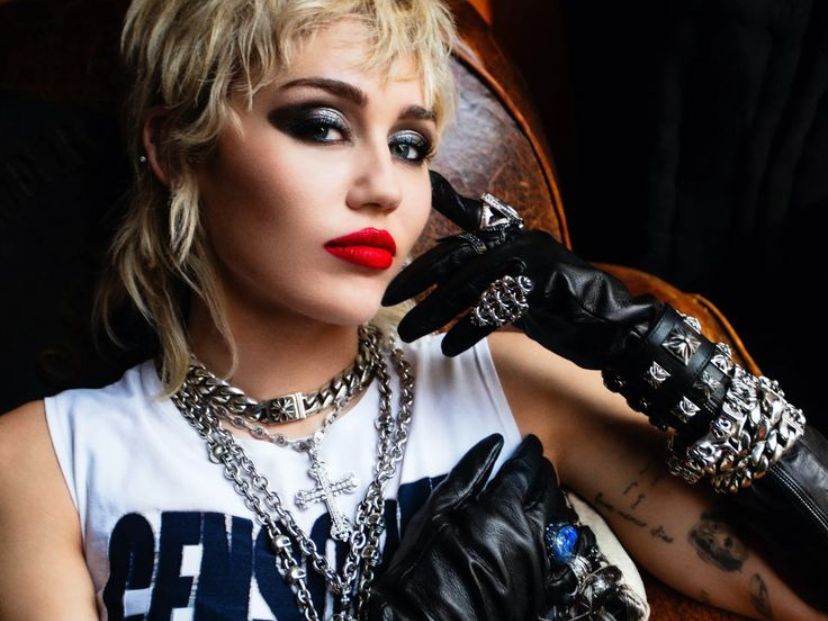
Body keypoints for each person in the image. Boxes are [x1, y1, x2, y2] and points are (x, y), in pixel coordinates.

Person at [0, 0, 825, 619]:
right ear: (177, 147)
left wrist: (663, 354)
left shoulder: (511, 385)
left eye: (410, 144)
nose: (384, 187)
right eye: (322, 124)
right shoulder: (45, 462)